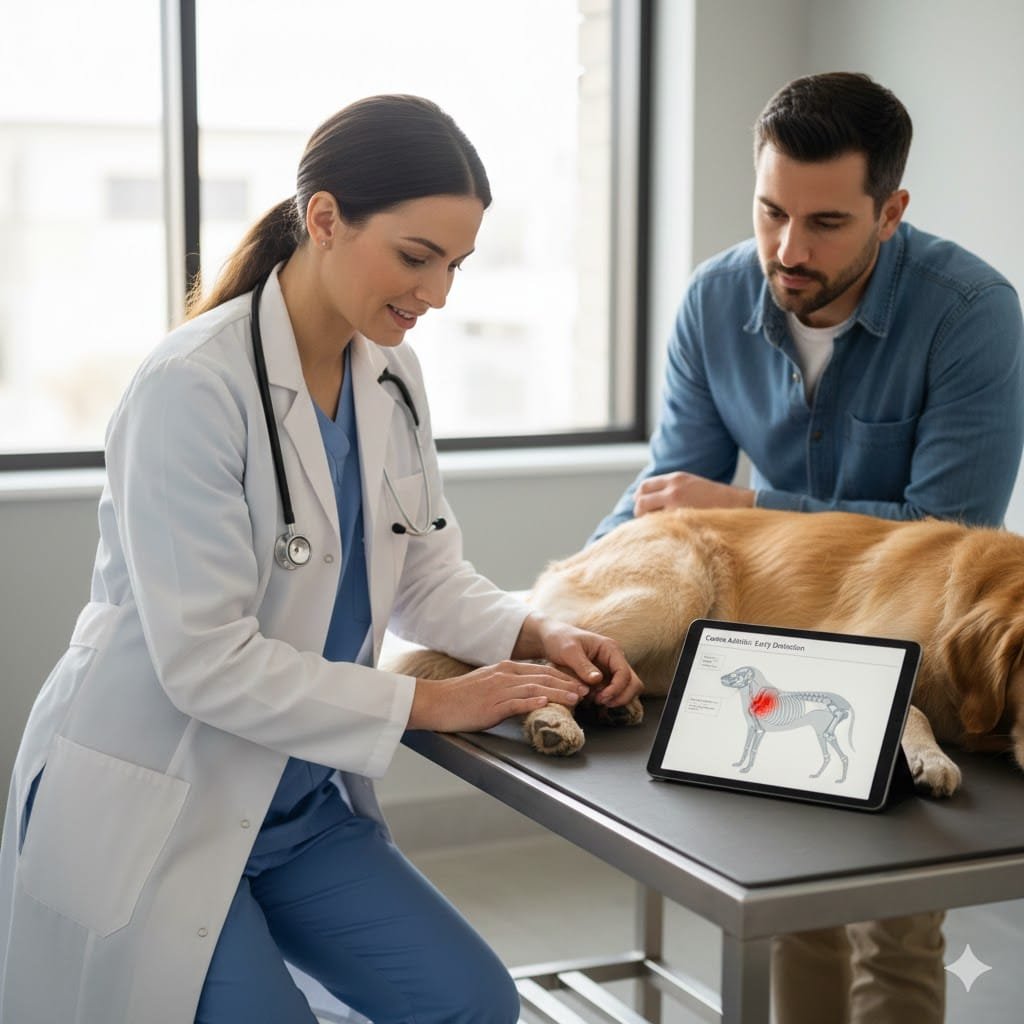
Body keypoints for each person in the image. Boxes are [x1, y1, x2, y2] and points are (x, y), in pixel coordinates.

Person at [0, 94, 642, 1024]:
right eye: (417, 257)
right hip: (162, 796)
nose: (439, 295)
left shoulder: (391, 374)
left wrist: (537, 631)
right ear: (325, 219)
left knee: (474, 1003)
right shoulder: (191, 389)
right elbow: (205, 662)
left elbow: (421, 570)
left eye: (455, 266)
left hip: (295, 809)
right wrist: (436, 700)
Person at [592, 73, 1024, 1024]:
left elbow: (938, 538)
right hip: (775, 650)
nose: (788, 250)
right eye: (771, 211)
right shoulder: (715, 300)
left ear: (892, 211)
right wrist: (553, 614)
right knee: (791, 907)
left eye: (826, 223)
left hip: (911, 668)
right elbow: (671, 497)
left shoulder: (972, 315)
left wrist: (751, 504)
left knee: (896, 927)